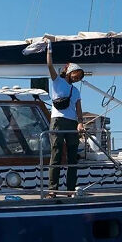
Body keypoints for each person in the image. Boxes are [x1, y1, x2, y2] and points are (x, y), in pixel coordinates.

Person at [46, 40, 86, 198]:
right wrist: (49, 50)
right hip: (57, 120)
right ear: (69, 71)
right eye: (76, 74)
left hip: (71, 122)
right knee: (55, 154)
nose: (77, 77)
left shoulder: (76, 91)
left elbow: (78, 110)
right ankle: (52, 189)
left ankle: (70, 189)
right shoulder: (57, 81)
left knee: (72, 156)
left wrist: (80, 123)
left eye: (79, 76)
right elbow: (49, 65)